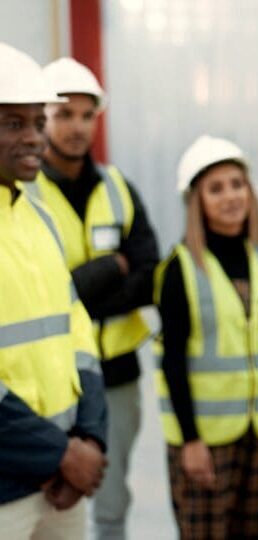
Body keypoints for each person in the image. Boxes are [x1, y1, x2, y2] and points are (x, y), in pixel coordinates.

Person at [27, 57, 159, 540]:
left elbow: (148, 275)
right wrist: (111, 266)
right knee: (42, 501)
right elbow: (39, 293)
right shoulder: (25, 192)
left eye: (87, 115)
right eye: (65, 114)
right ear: (43, 116)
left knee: (110, 499)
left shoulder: (119, 189)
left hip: (118, 372)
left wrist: (78, 290)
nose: (78, 126)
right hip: (51, 373)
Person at [154, 135, 258, 539]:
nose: (230, 196)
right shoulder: (180, 269)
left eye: (237, 184)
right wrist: (191, 441)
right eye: (216, 188)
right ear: (196, 201)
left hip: (255, 431)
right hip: (205, 440)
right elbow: (172, 362)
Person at [0, 43, 107, 539]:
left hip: (64, 480)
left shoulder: (38, 217)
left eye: (37, 123)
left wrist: (90, 436)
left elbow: (77, 333)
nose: (33, 139)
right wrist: (61, 453)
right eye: (12, 124)